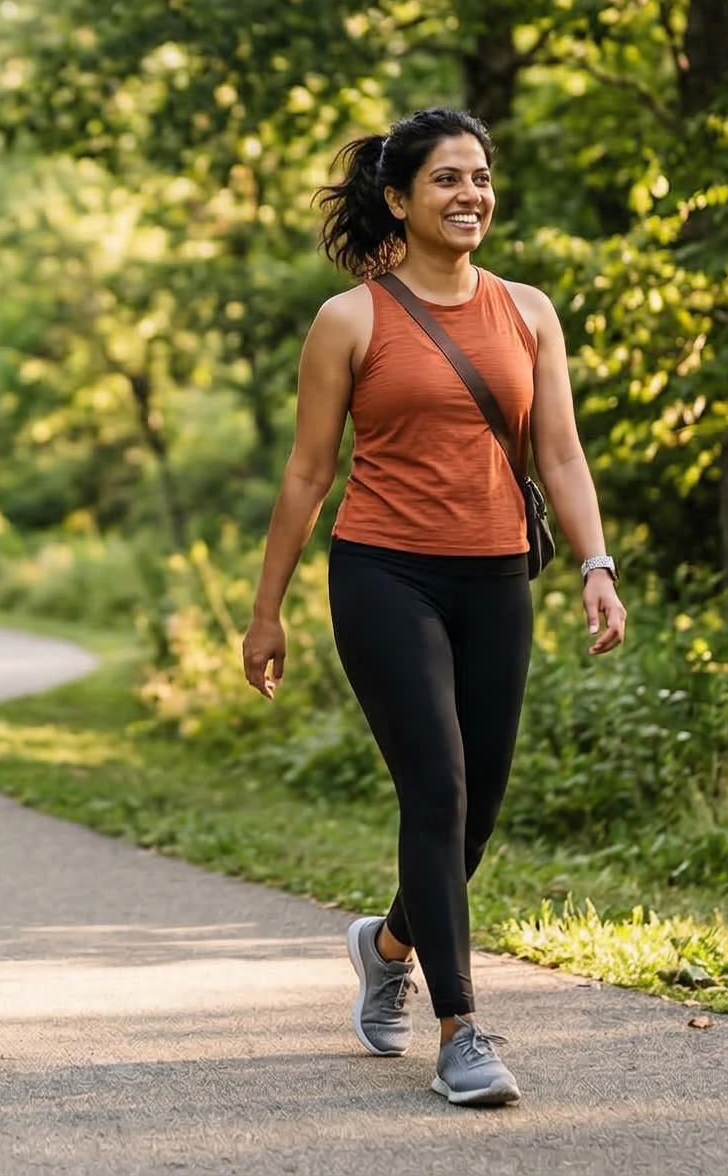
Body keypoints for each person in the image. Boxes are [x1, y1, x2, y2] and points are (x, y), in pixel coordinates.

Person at [240, 108, 626, 1110]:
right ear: (400, 200)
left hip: (497, 576)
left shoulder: (529, 311)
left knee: (477, 815)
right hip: (383, 574)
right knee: (438, 789)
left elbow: (561, 453)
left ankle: (388, 944)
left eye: (482, 177)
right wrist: (265, 610)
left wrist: (595, 563)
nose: (470, 195)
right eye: (447, 179)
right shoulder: (351, 320)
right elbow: (307, 474)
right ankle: (461, 1030)